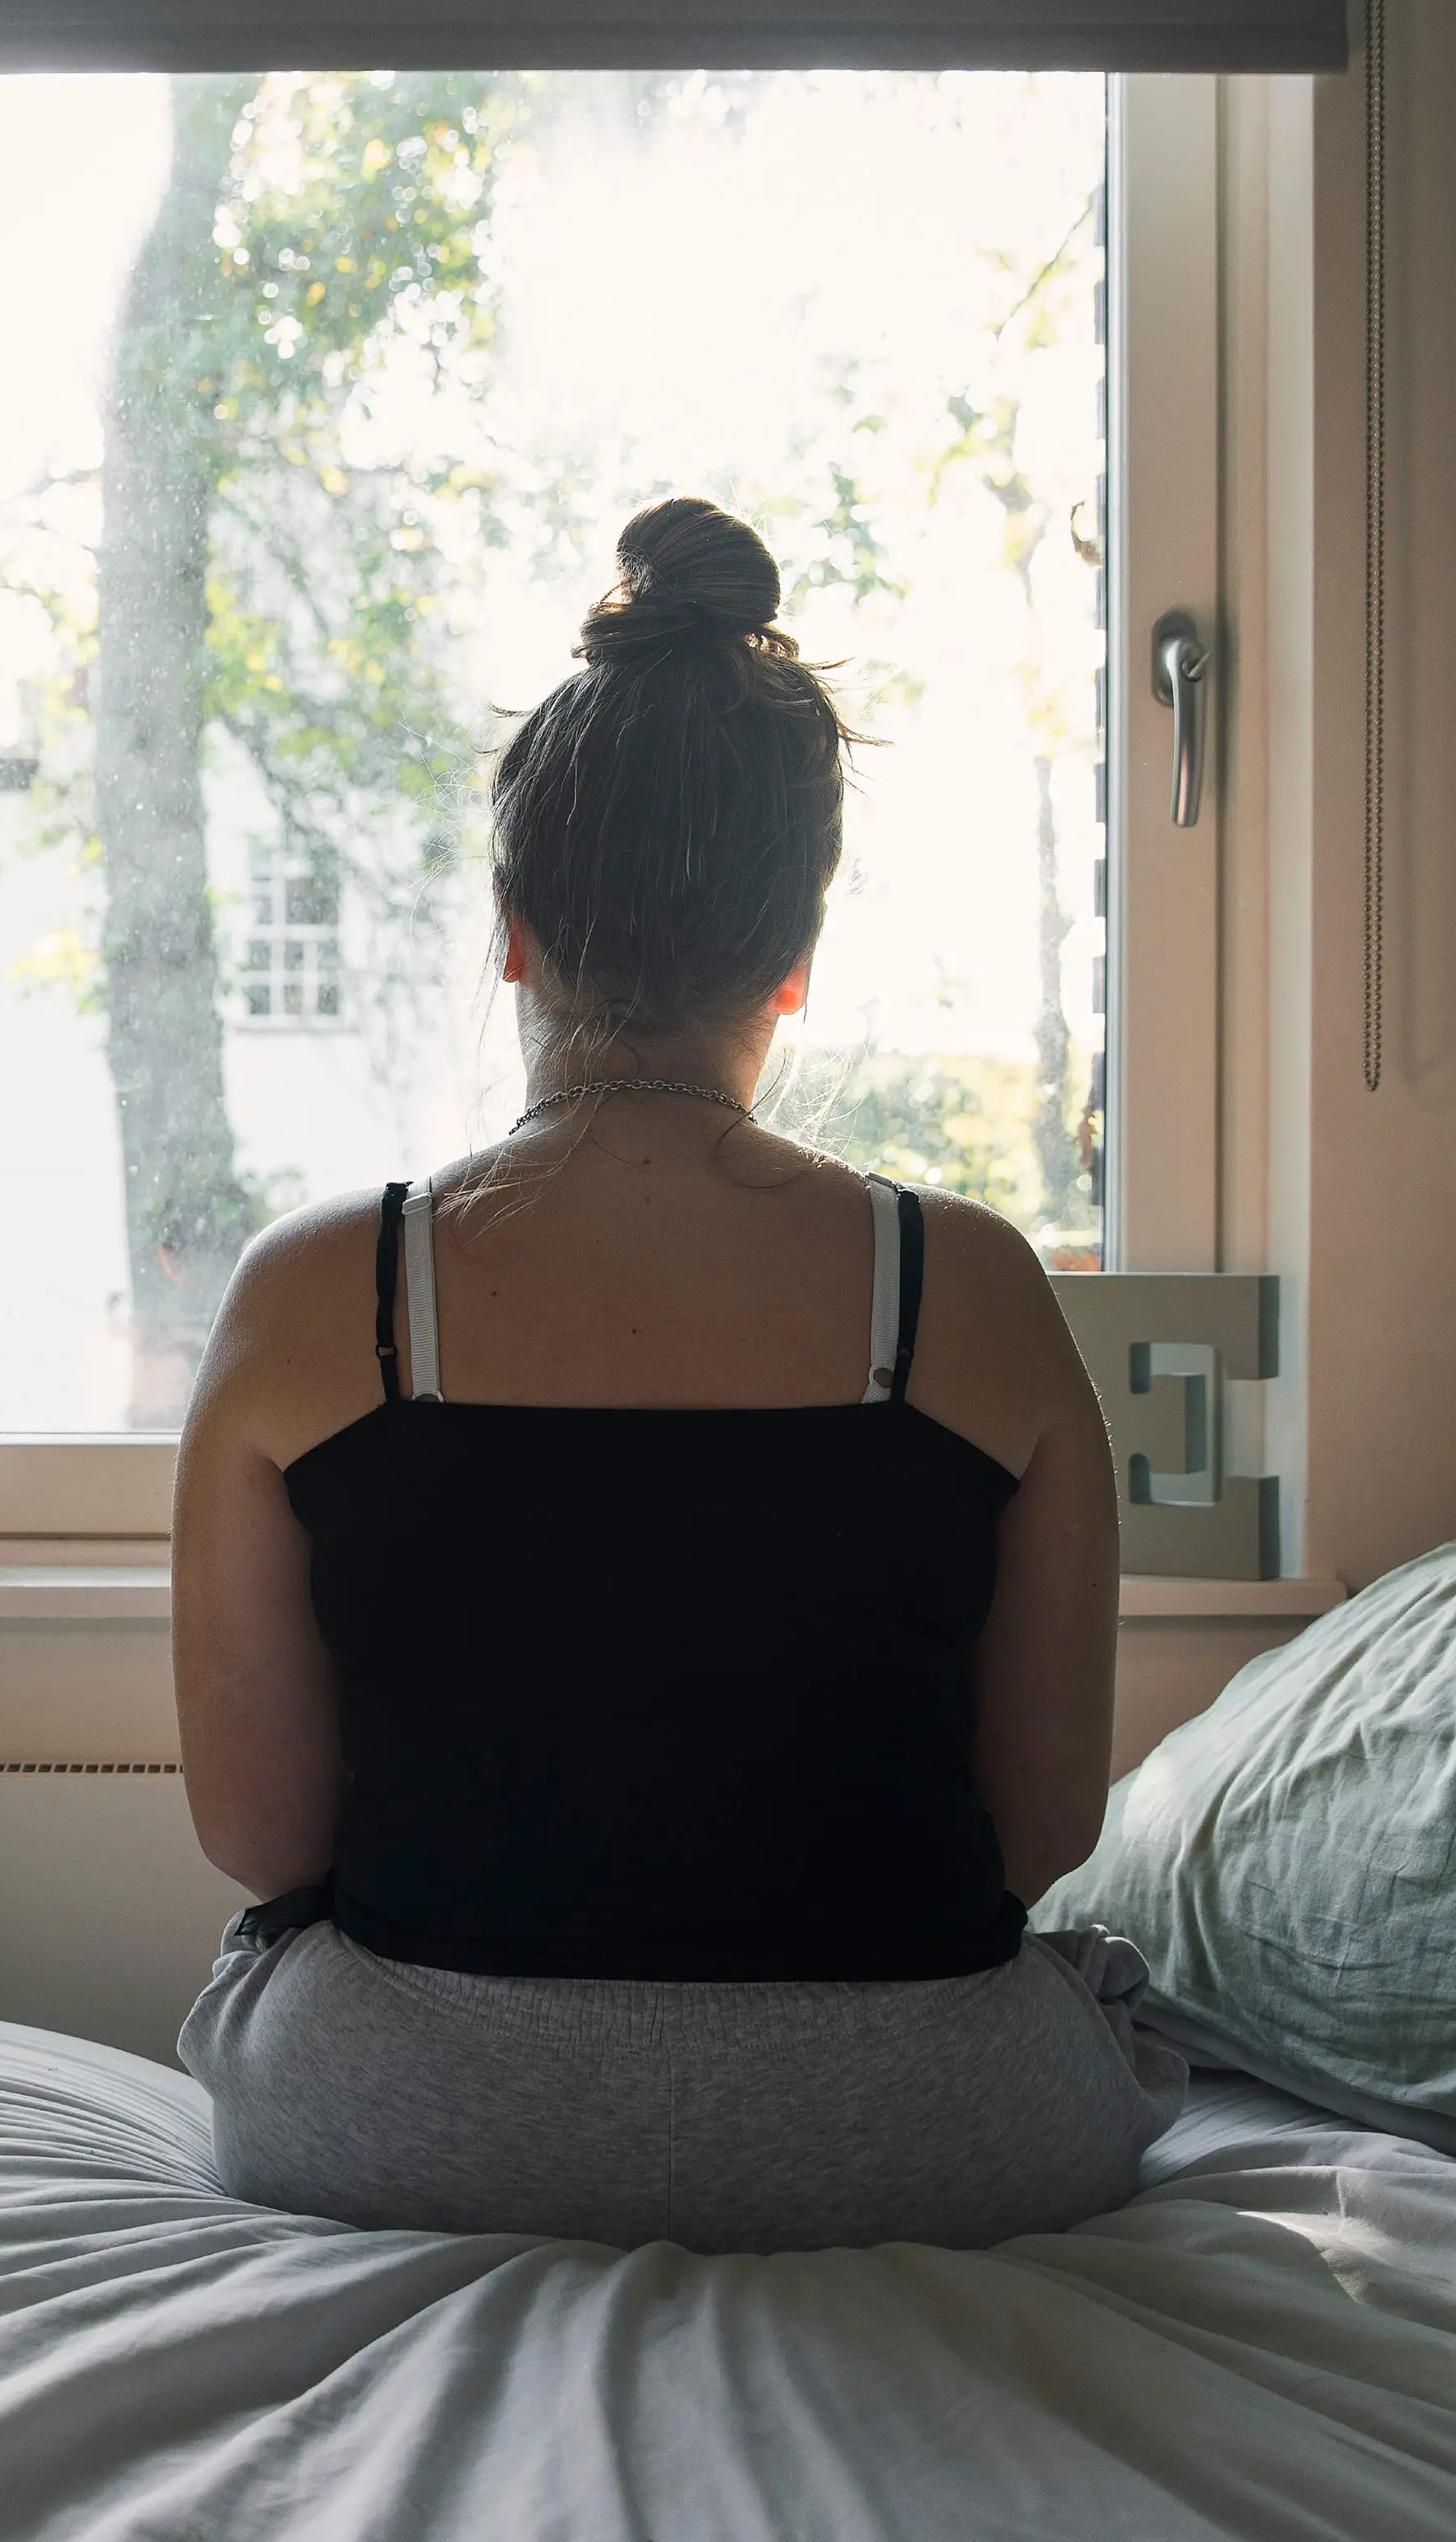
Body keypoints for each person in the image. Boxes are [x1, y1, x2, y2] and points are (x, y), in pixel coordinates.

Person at [171, 496, 1170, 2253]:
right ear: (795, 954)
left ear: (511, 928)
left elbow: (265, 1843)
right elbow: (1038, 1830)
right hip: (923, 2129)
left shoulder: (322, 1295)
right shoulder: (972, 1288)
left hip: (412, 2123)